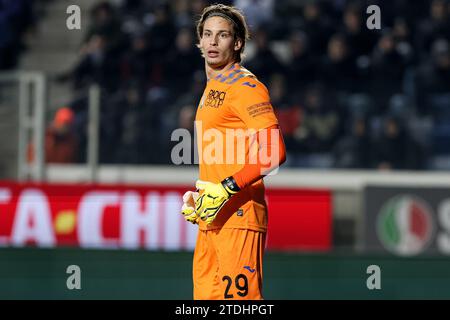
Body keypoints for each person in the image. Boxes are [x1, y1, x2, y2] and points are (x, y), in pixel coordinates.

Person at [180, 4, 286, 300]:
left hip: (239, 216)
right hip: (212, 219)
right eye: (208, 35)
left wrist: (226, 188)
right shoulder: (214, 86)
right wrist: (205, 196)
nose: (213, 42)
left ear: (237, 43)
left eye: (222, 35)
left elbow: (274, 152)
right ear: (199, 41)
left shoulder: (246, 86)